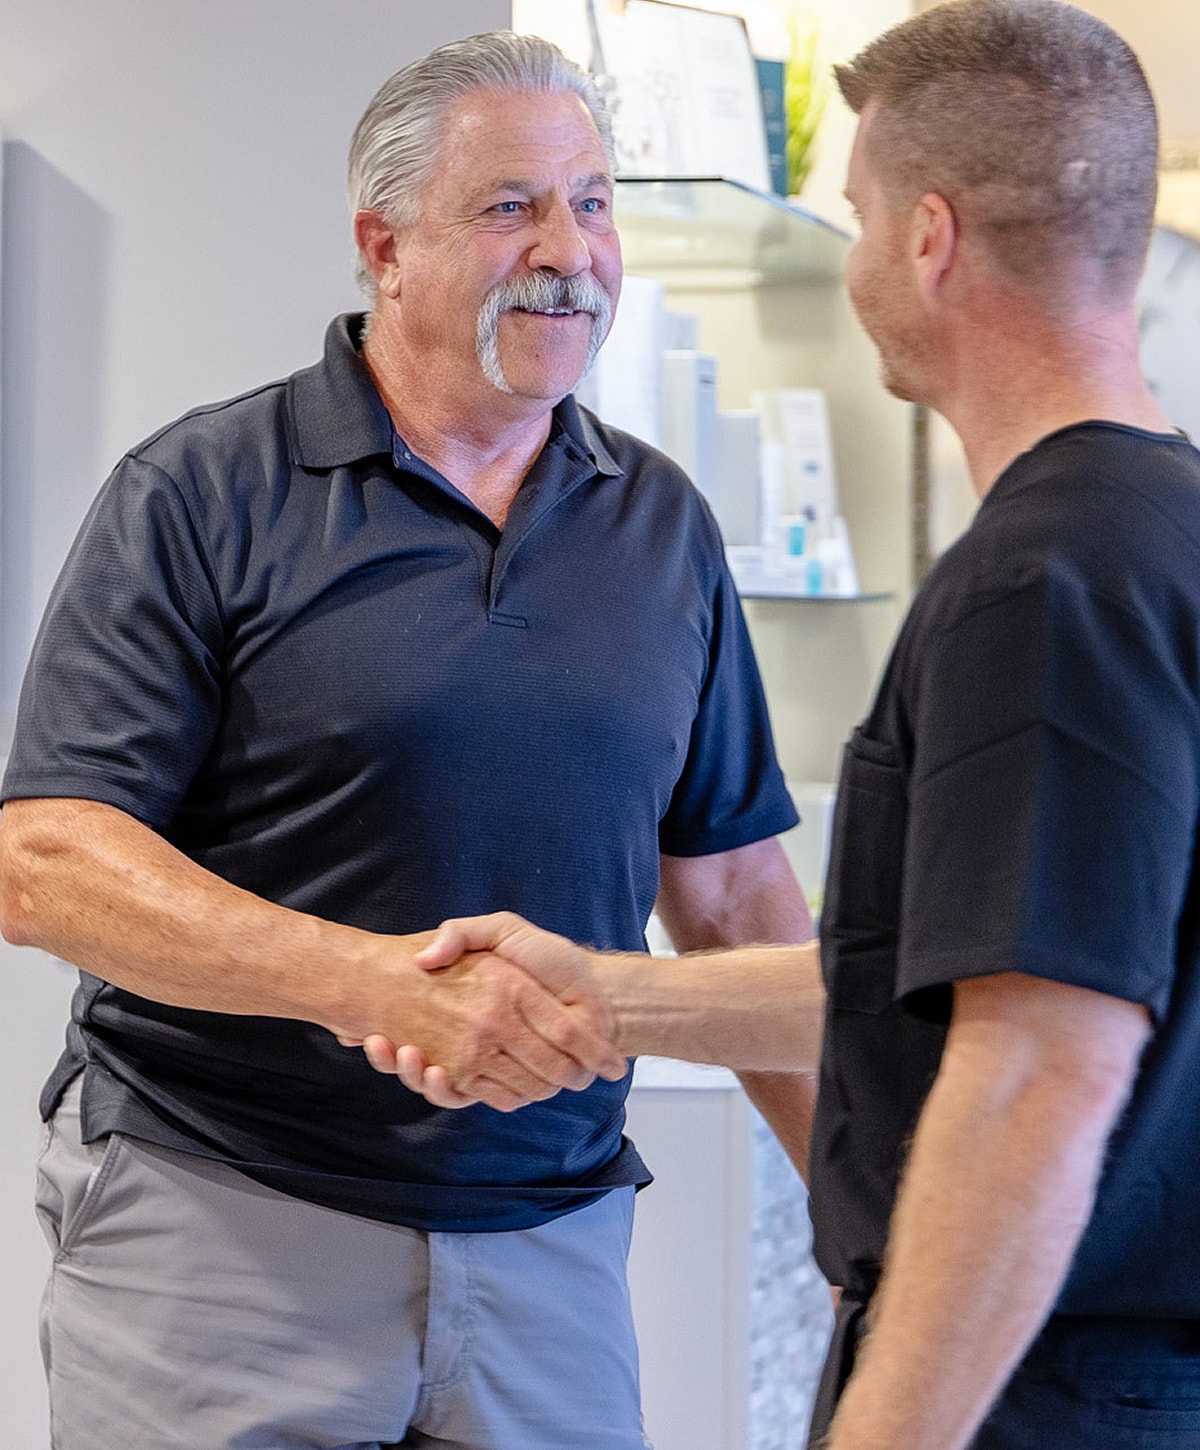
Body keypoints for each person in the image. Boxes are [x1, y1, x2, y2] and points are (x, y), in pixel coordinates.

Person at [382, 3, 1200, 1447]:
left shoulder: (1045, 584)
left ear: (931, 241)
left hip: (1048, 1383)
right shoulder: (1157, 530)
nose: (859, 265)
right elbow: (935, 971)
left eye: (865, 219)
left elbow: (1032, 1068)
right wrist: (604, 990)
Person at [0, 30, 815, 1450]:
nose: (571, 249)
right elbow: (46, 861)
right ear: (385, 244)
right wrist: (374, 983)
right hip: (226, 1225)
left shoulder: (663, 524)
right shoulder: (201, 493)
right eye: (512, 207)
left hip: (550, 1246)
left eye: (595, 202)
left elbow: (735, 891)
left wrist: (855, 1193)